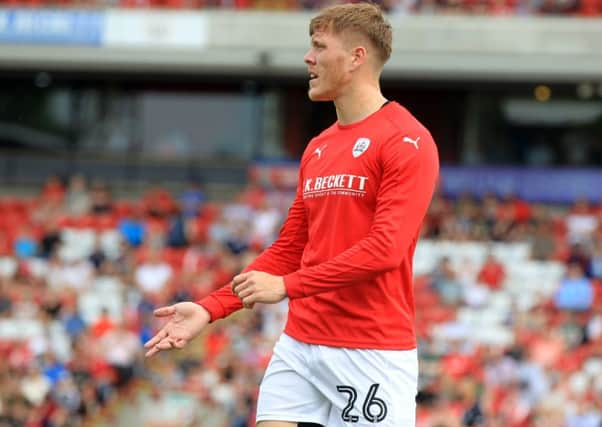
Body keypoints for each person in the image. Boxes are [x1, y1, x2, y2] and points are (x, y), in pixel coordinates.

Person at [144, 3, 439, 426]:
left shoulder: (406, 140)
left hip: (371, 349)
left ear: (357, 56)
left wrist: (286, 286)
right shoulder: (319, 146)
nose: (308, 57)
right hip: (300, 342)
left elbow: (385, 250)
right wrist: (211, 308)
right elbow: (290, 248)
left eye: (319, 47)